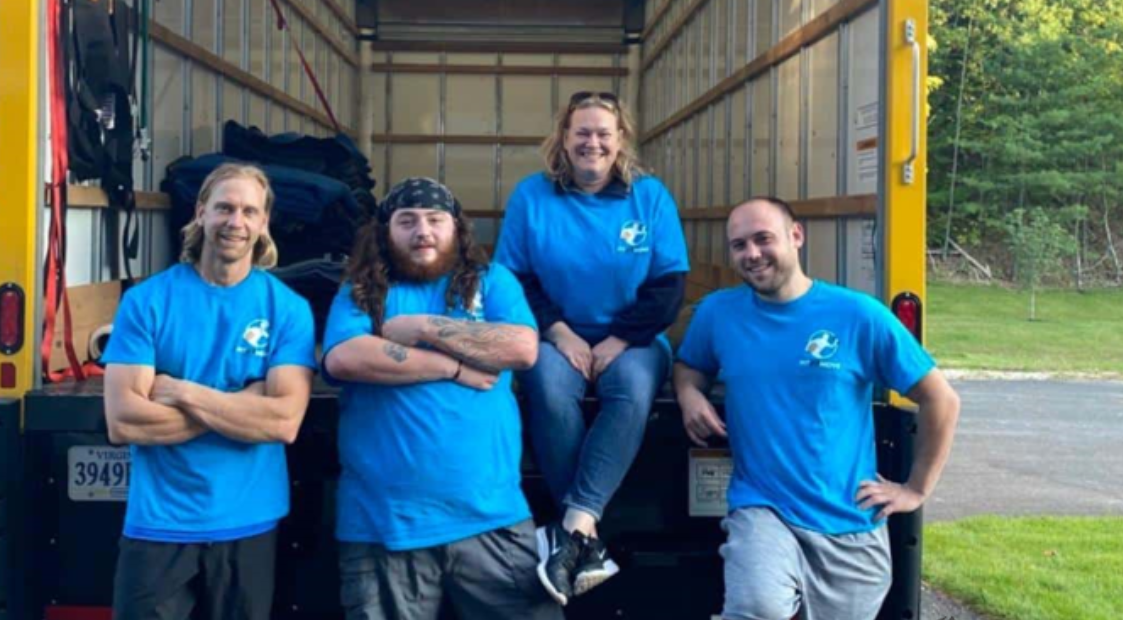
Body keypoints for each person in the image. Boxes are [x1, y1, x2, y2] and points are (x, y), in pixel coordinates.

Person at [672, 197, 961, 620]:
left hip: (850, 524)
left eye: (763, 239)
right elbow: (689, 366)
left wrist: (916, 489)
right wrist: (688, 394)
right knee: (757, 608)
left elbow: (941, 399)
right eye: (739, 245)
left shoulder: (858, 314)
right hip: (763, 508)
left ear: (796, 236)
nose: (751, 254)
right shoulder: (719, 312)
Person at [321, 177, 562, 620]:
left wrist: (423, 328)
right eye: (406, 221)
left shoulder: (493, 282)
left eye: (435, 220)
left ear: (457, 229)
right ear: (384, 231)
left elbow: (521, 348)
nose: (423, 232)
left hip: (491, 517)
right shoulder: (361, 290)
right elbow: (345, 358)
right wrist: (452, 366)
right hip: (385, 525)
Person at [494, 91, 690, 604]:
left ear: (620, 139)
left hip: (635, 338)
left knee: (630, 392)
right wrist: (559, 332)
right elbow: (513, 279)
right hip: (555, 334)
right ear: (563, 137)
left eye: (604, 133)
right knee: (550, 390)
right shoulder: (532, 196)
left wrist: (619, 339)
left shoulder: (649, 196)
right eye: (582, 132)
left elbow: (669, 286)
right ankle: (587, 540)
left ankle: (573, 526)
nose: (593, 143)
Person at [101, 163, 317, 620]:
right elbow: (123, 422)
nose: (234, 222)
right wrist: (244, 405)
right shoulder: (146, 302)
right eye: (223, 208)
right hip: (158, 523)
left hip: (249, 522)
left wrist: (179, 390)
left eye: (248, 211)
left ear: (263, 224)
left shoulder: (288, 309)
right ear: (201, 213)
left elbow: (283, 422)